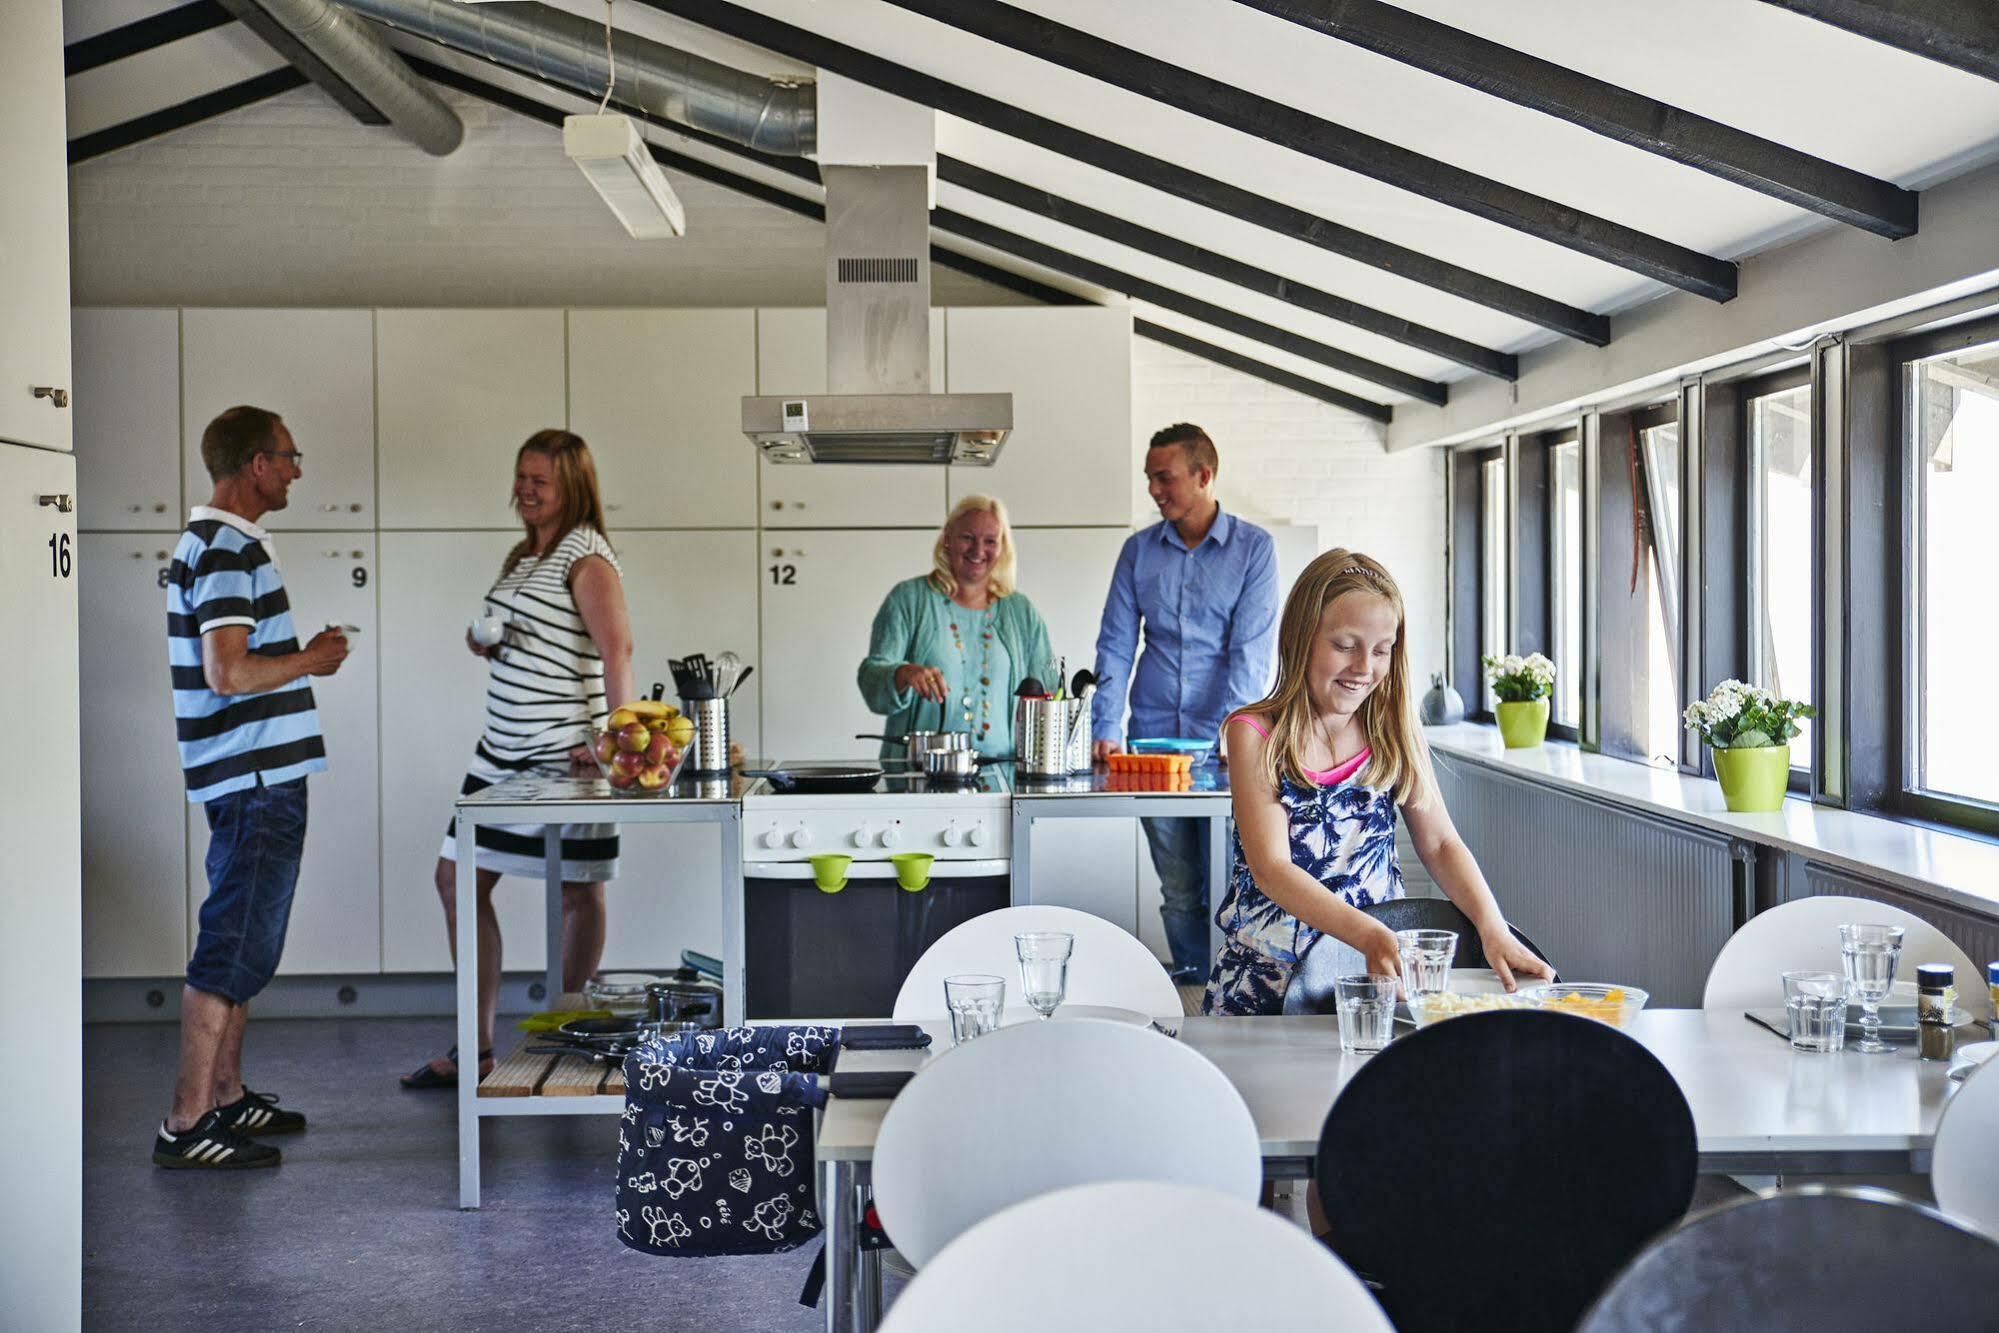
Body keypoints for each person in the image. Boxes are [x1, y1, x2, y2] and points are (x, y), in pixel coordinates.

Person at [401, 430, 659, 1089]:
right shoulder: (527, 554)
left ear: (572, 486)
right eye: (520, 476)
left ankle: (564, 1033)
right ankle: (476, 1047)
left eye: (539, 480)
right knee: (456, 878)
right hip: (501, 755)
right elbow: (531, 634)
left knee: (577, 890)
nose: (524, 488)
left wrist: (614, 744)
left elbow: (618, 651)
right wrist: (488, 638)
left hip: (559, 760)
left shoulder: (587, 556)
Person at [1207, 550, 1554, 1015]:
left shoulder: (1392, 731)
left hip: (1368, 978)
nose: (1364, 668)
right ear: (1300, 638)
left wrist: (1492, 925)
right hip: (1264, 982)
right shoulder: (1252, 733)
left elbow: (1441, 844)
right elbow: (1272, 869)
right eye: (1345, 645)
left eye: (1381, 649)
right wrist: (1369, 933)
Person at [153, 406, 351, 1170]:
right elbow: (227, 672)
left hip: (247, 776)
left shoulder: (214, 543)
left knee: (244, 943)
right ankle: (186, 1120)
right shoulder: (227, 549)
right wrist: (310, 660)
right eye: (289, 455)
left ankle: (226, 1096)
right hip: (256, 778)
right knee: (231, 948)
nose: (297, 469)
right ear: (253, 464)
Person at [1092, 423, 1279, 984]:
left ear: (1204, 475)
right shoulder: (1138, 552)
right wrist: (1106, 724)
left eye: (1164, 477)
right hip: (1151, 745)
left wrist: (1233, 734)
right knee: (1178, 884)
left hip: (1223, 750)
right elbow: (1116, 643)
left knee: (1230, 874)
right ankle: (1195, 987)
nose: (1154, 489)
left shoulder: (1253, 550)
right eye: (1150, 477)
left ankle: (1234, 990)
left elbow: (1250, 653)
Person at [859, 495, 1054, 760]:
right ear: (947, 538)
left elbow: (1048, 696)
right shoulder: (908, 599)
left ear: (1002, 548)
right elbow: (872, 679)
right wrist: (903, 673)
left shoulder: (1021, 612)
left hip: (1001, 774)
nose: (978, 550)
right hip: (919, 773)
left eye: (990, 541)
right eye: (968, 538)